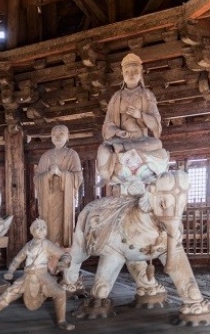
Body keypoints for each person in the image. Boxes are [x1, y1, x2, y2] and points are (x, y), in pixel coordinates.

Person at [0, 219, 74, 330]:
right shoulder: (28, 245)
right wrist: (10, 272)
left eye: (44, 227)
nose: (42, 229)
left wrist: (63, 262)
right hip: (27, 275)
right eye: (38, 227)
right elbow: (17, 259)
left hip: (43, 275)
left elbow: (65, 255)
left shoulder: (47, 244)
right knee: (8, 294)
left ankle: (62, 320)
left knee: (60, 292)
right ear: (32, 231)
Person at [97, 53, 169, 196]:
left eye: (135, 71)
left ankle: (124, 148)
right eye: (127, 72)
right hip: (121, 138)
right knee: (104, 148)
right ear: (122, 74)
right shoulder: (117, 97)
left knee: (157, 144)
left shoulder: (147, 96)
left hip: (141, 139)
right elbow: (107, 125)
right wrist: (117, 132)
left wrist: (140, 115)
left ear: (141, 73)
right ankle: (121, 149)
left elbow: (156, 124)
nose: (131, 75)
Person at [34, 125, 83, 248]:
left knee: (63, 226)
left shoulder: (72, 155)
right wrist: (49, 174)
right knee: (47, 224)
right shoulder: (45, 156)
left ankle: (63, 249)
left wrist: (61, 174)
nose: (57, 136)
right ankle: (47, 248)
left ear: (68, 137)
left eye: (61, 133)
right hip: (47, 200)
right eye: (54, 134)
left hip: (64, 198)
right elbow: (37, 178)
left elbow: (78, 176)